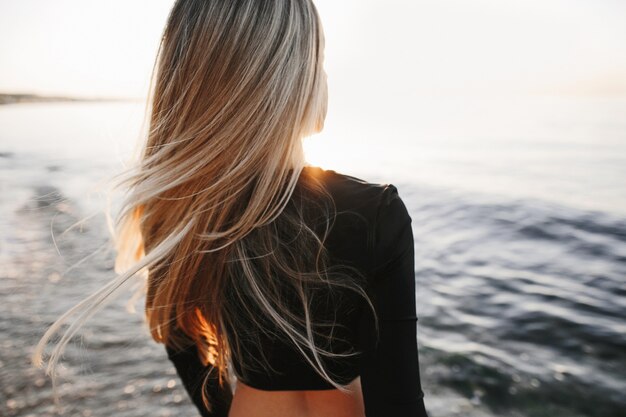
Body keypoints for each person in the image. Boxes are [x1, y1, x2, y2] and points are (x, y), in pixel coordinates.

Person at [33, 1, 429, 416]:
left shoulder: (182, 210)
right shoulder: (373, 213)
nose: (325, 77)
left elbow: (183, 348)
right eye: (320, 59)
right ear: (288, 77)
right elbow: (400, 406)